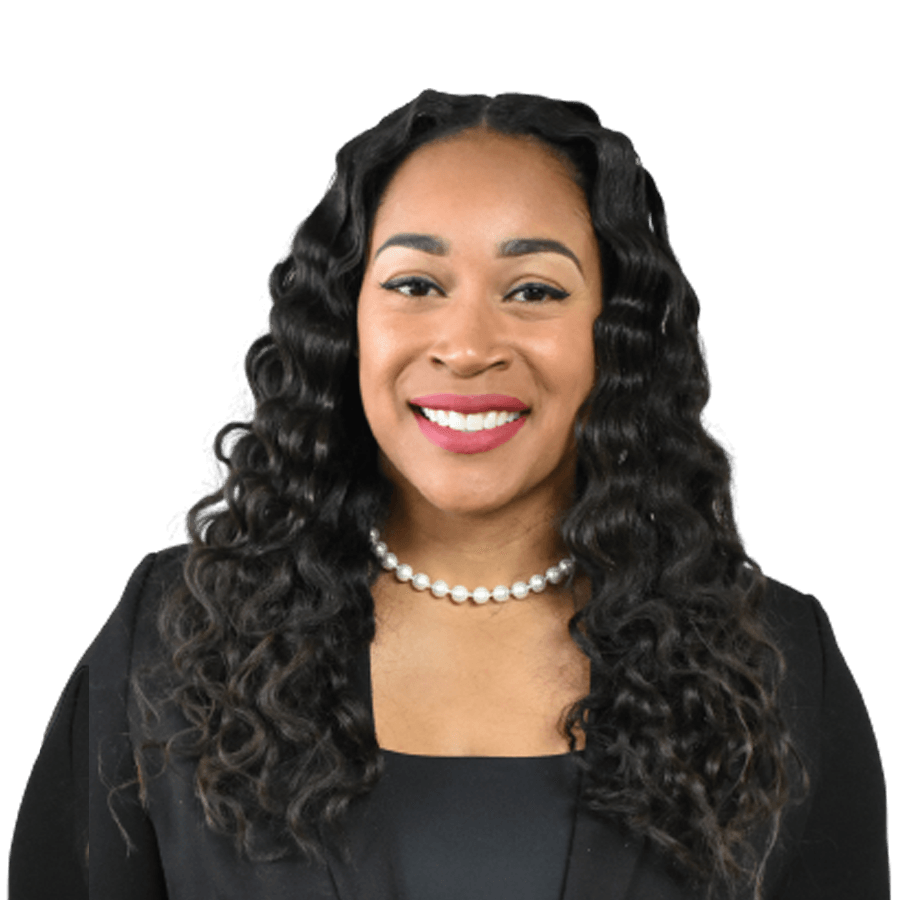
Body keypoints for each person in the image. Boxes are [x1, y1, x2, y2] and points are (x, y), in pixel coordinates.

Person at [8, 90, 889, 900]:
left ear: (612, 338)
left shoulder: (775, 660)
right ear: (346, 324)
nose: (468, 346)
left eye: (535, 290)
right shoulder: (170, 636)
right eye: (415, 285)